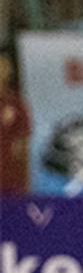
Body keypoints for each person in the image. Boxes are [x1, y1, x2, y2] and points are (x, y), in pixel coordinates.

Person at [0, 44, 31, 197]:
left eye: (5, 66)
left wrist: (26, 184)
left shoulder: (17, 104)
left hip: (11, 184)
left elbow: (24, 146)